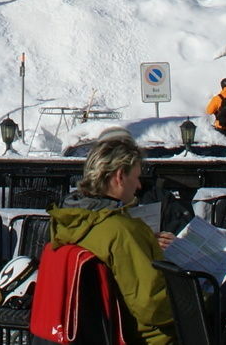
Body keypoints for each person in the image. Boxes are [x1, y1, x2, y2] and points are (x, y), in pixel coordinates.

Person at [48, 134, 174, 345]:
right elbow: (151, 306)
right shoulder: (122, 231)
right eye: (136, 177)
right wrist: (201, 297)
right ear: (119, 177)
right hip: (147, 338)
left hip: (98, 333)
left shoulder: (68, 223)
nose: (139, 186)